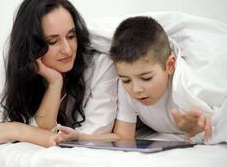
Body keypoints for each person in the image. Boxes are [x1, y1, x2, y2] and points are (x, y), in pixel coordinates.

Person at [0, 0, 119, 153]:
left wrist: (17, 130)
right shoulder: (7, 63)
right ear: (32, 46)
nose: (67, 50)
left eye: (71, 36)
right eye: (52, 41)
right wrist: (55, 83)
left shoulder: (100, 63)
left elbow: (86, 137)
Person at [54, 16, 213, 143]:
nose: (136, 89)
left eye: (146, 78)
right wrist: (80, 137)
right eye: (126, 80)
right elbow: (123, 137)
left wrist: (193, 131)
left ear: (170, 65)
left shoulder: (189, 88)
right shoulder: (126, 89)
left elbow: (216, 126)